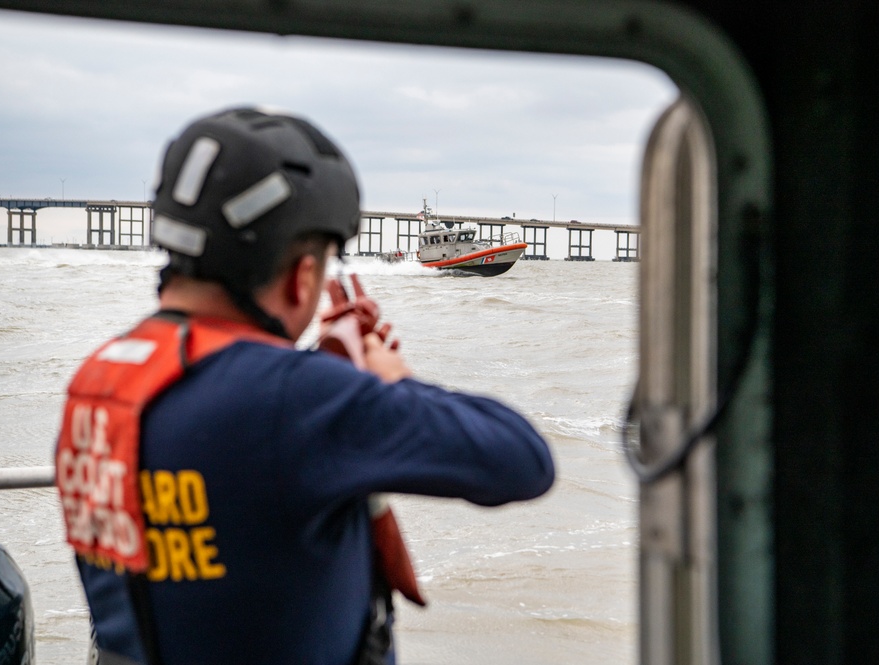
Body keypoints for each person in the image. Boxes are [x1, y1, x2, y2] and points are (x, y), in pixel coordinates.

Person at [54, 107, 555, 665]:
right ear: (302, 275)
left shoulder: (95, 381)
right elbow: (522, 459)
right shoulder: (297, 400)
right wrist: (393, 378)